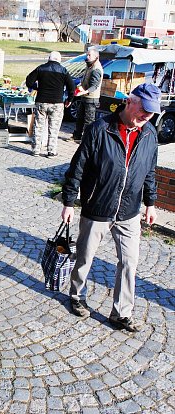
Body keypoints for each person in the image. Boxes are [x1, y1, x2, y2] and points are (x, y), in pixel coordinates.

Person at [61, 83, 161, 332]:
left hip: (129, 211)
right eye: (144, 109)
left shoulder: (149, 134)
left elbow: (149, 171)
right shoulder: (100, 129)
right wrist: (69, 201)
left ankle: (121, 313)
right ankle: (77, 295)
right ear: (130, 101)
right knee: (85, 256)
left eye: (151, 112)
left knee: (129, 262)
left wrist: (150, 202)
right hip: (98, 205)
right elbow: (78, 167)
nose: (147, 116)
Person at [25, 51, 76, 157]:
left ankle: (36, 150)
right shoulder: (63, 70)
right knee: (54, 128)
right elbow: (72, 87)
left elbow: (29, 81)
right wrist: (69, 100)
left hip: (41, 101)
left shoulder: (41, 68)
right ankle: (51, 151)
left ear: (49, 58)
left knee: (38, 126)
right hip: (57, 103)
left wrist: (37, 87)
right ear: (59, 59)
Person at [72, 48, 103, 142]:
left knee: (89, 121)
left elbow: (94, 86)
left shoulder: (96, 69)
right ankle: (77, 136)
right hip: (84, 97)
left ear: (96, 57)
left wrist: (84, 92)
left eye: (89, 55)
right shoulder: (89, 66)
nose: (87, 57)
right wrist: (79, 86)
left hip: (92, 99)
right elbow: (85, 79)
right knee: (79, 118)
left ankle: (87, 140)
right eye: (87, 55)